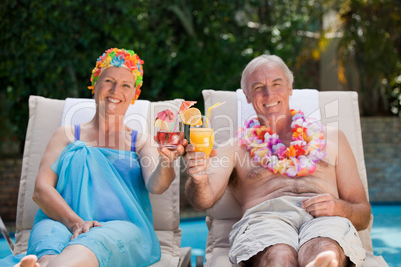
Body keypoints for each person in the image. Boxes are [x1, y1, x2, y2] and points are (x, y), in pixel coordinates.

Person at [185, 55, 371, 267]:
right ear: (246, 95)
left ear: (290, 87)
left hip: (326, 220)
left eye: (276, 84)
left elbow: (363, 213)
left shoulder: (333, 138)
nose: (269, 93)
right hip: (266, 220)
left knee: (324, 247)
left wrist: (340, 208)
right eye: (258, 87)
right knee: (278, 255)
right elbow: (203, 201)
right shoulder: (235, 147)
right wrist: (198, 179)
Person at [11, 48, 185, 267]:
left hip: (119, 226)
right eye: (109, 80)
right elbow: (41, 190)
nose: (115, 90)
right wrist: (75, 223)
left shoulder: (140, 140)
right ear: (95, 83)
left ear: (134, 95)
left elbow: (156, 185)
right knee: (48, 246)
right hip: (60, 219)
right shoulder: (65, 135)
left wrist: (167, 160)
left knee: (88, 246)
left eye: (125, 85)